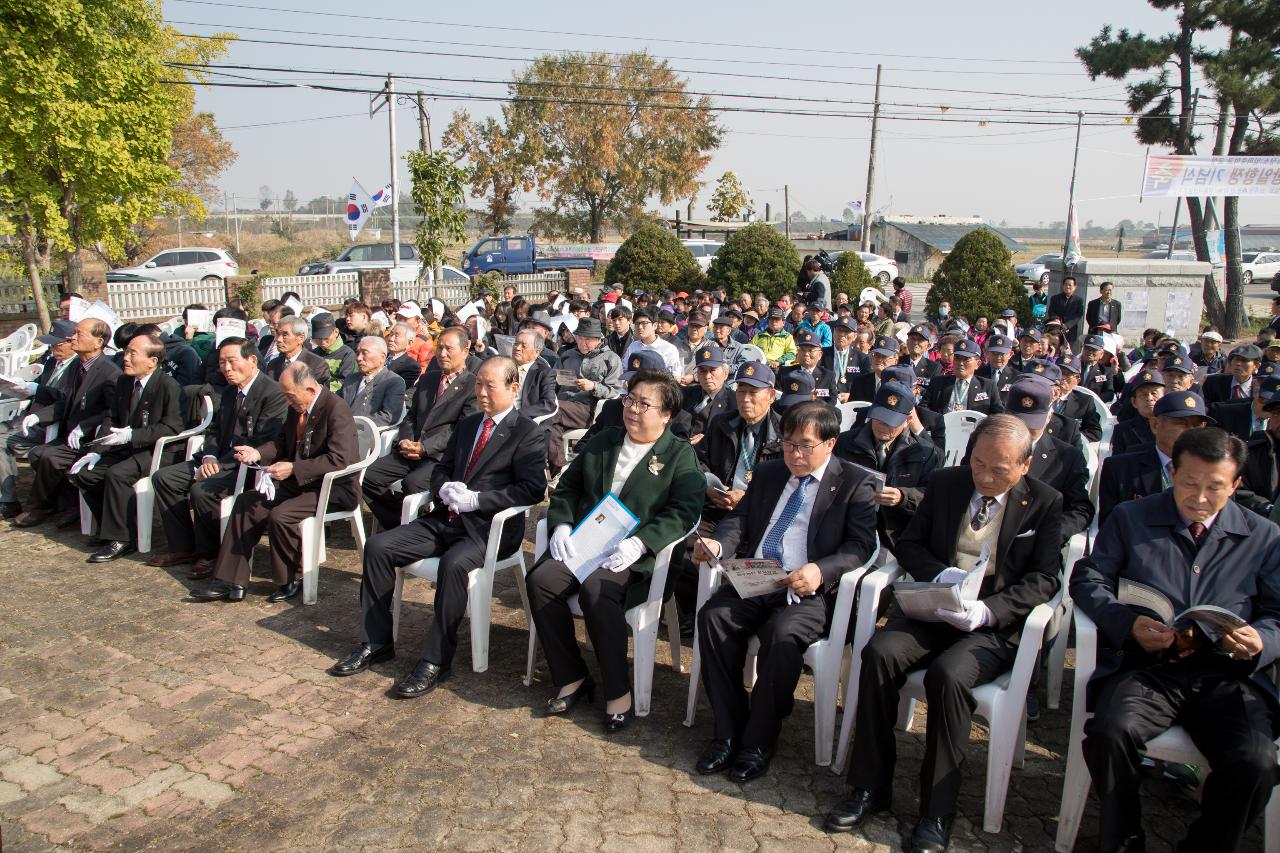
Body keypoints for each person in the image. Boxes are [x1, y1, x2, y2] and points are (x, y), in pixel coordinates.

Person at [823, 415, 1063, 852]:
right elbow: (911, 544)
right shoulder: (948, 483)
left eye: (1000, 470)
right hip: (934, 608)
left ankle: (936, 809)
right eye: (978, 464)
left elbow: (1045, 579)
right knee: (879, 653)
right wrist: (943, 576)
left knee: (949, 677)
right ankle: (869, 786)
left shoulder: (1045, 502)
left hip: (988, 626)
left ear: (1025, 465)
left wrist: (988, 611)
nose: (986, 478)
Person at [1071, 427, 1280, 853]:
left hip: (1228, 676)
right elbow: (1089, 577)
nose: (1199, 498)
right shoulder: (1132, 518)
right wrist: (1125, 623)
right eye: (1189, 483)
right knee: (1110, 733)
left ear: (1236, 484)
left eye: (1214, 488)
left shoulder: (1263, 536)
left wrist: (1261, 639)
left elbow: (1278, 612)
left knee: (1256, 762)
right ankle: (1124, 837)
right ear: (1172, 475)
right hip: (1150, 668)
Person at [328, 358, 548, 695]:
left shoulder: (527, 432)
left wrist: (478, 500)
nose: (482, 393)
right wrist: (443, 487)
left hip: (489, 529)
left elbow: (532, 489)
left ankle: (435, 660)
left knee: (454, 564)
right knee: (378, 547)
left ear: (513, 388)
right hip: (445, 518)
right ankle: (376, 641)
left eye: (491, 386)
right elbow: (442, 467)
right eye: (479, 385)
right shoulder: (469, 424)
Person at [691, 402, 878, 782]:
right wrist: (719, 545)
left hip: (807, 589)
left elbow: (860, 546)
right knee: (713, 618)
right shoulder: (770, 472)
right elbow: (738, 520)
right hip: (758, 577)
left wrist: (820, 570)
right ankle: (727, 731)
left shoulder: (856, 483)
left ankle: (758, 740)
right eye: (788, 443)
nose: (794, 453)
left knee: (781, 636)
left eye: (805, 445)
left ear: (830, 444)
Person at [526, 369, 704, 732]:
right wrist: (561, 524)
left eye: (644, 404)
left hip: (634, 555)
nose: (633, 409)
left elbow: (684, 513)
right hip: (587, 542)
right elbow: (568, 487)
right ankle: (572, 675)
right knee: (541, 579)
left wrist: (641, 543)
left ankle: (617, 690)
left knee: (598, 589)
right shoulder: (605, 440)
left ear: (667, 413)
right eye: (630, 400)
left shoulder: (678, 455)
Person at [191, 362, 359, 603]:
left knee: (281, 514)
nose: (288, 402)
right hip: (299, 483)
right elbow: (281, 442)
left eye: (290, 396)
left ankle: (291, 578)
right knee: (247, 503)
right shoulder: (296, 407)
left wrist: (293, 467)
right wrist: (257, 454)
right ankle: (230, 579)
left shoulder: (336, 408)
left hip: (332, 487)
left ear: (310, 390)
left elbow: (339, 459)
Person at [146, 338, 288, 577]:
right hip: (217, 458)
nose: (226, 368)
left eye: (232, 362)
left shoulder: (272, 393)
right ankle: (183, 547)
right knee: (164, 478)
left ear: (252, 360)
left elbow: (264, 441)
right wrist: (210, 457)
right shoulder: (231, 391)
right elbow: (213, 430)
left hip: (247, 465)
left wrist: (219, 465)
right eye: (222, 363)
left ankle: (211, 554)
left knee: (202, 491)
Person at [67, 331, 185, 562]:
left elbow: (172, 428)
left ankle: (122, 538)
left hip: (155, 450)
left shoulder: (168, 386)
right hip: (125, 446)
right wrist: (96, 450)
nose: (126, 358)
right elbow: (110, 418)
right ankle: (109, 526)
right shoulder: (123, 381)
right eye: (125, 352)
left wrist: (133, 435)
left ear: (152, 361)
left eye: (133, 353)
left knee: (117, 474)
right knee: (83, 473)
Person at [362, 327, 478, 531]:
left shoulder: (472, 386)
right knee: (368, 475)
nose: (442, 354)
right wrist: (405, 440)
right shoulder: (428, 379)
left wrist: (425, 447)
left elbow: (462, 429)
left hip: (440, 456)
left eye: (449, 349)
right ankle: (401, 522)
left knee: (412, 484)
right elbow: (411, 416)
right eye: (439, 347)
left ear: (465, 351)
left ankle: (415, 525)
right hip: (410, 449)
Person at [14, 319, 121, 529]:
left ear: (98, 342)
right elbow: (67, 401)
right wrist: (39, 416)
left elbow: (113, 412)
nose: (72, 337)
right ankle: (67, 503)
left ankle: (40, 507)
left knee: (47, 456)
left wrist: (87, 426)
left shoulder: (109, 373)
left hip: (94, 440)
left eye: (79, 334)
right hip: (72, 436)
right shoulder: (77, 367)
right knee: (38, 453)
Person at [834, 380, 941, 552]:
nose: (883, 426)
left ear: (907, 420)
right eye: (879, 418)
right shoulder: (846, 443)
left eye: (891, 422)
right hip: (846, 524)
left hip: (894, 534)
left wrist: (902, 497)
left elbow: (932, 497)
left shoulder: (924, 452)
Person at [1001, 376, 1094, 547]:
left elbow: (1080, 509)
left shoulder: (1067, 458)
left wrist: (1051, 534)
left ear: (1049, 417)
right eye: (1015, 422)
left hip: (1034, 545)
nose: (1023, 430)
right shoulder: (986, 444)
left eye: (1031, 424)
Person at [0, 319, 79, 519]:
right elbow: (37, 387)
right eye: (51, 344)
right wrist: (21, 386)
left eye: (57, 344)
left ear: (72, 342)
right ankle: (7, 499)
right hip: (30, 418)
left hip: (53, 424)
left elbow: (67, 399)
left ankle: (10, 501)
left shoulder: (79, 366)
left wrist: (38, 390)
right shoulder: (52, 361)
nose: (53, 349)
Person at [1098, 391, 1212, 524]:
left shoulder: (1215, 472)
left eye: (1197, 425)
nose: (1191, 432)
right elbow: (1110, 526)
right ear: (1155, 425)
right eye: (1182, 423)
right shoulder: (1120, 469)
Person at [545, 318, 622, 473]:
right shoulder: (568, 355)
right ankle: (558, 471)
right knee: (549, 424)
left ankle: (557, 469)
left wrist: (593, 386)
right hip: (563, 406)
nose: (582, 343)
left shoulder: (611, 359)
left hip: (589, 409)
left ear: (599, 339)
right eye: (580, 338)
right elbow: (550, 379)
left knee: (551, 411)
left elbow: (614, 391)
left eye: (587, 339)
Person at [921, 338, 1001, 417]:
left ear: (978, 364)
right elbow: (924, 408)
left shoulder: (987, 386)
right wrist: (938, 423)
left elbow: (998, 415)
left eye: (966, 359)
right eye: (957, 358)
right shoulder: (938, 383)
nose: (960, 363)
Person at [340, 335, 406, 426]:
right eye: (358, 353)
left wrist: (352, 423)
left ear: (382, 357)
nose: (359, 358)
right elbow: (336, 404)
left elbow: (388, 416)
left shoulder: (393, 382)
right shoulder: (351, 378)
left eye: (364, 353)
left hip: (364, 433)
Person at [681, 343, 736, 439]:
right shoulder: (685, 393)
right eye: (702, 371)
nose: (707, 376)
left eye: (712, 370)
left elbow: (733, 435)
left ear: (725, 374)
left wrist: (709, 438)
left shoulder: (734, 402)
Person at [1109, 369, 1164, 455]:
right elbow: (1118, 464)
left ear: (1165, 397)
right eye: (1143, 395)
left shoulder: (1175, 425)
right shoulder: (1122, 431)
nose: (1149, 398)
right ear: (1134, 402)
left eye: (1154, 393)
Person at [1052, 352, 1103, 443]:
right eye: (1059, 373)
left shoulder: (1084, 402)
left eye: (1067, 374)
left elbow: (1094, 432)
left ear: (1077, 380)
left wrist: (1072, 438)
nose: (1062, 378)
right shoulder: (1042, 395)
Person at [265, 316, 331, 388]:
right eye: (277, 334)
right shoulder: (272, 365)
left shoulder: (317, 364)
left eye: (285, 335)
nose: (278, 339)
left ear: (300, 338)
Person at [776, 329, 838, 404]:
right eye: (802, 349)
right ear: (797, 352)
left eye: (810, 350)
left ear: (820, 355)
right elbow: (778, 399)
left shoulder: (828, 376)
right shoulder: (784, 373)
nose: (806, 353)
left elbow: (832, 402)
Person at [621, 307, 682, 376]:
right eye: (637, 323)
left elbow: (675, 376)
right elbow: (625, 369)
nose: (640, 327)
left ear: (655, 325)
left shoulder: (669, 349)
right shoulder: (633, 346)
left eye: (644, 323)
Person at [510, 330, 556, 418]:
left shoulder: (544, 373)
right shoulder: (504, 366)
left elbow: (548, 404)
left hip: (522, 420)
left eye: (524, 345)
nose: (517, 348)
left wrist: (517, 414)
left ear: (537, 352)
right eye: (516, 343)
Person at [308, 312, 358, 394]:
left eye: (326, 337)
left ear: (336, 332)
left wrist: (320, 389)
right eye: (319, 338)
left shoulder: (348, 355)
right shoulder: (313, 354)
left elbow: (346, 382)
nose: (323, 342)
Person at [848, 335, 901, 404]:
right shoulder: (859, 382)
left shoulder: (900, 385)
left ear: (895, 361)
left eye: (884, 356)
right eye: (877, 355)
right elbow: (851, 408)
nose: (879, 359)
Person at [1079, 334, 1122, 404]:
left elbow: (1109, 393)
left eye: (1094, 350)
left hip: (1093, 407)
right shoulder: (1075, 365)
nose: (1090, 352)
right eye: (1087, 348)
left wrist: (1093, 400)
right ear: (1082, 349)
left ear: (1101, 354)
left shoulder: (1106, 371)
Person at [383, 322, 422, 391]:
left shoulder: (411, 366)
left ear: (409, 343)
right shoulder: (379, 356)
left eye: (396, 336)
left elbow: (395, 390)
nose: (391, 339)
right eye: (391, 334)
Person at [1048, 277, 1085, 350]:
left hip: (1070, 331)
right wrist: (1060, 324)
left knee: (1067, 352)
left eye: (1070, 285)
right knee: (1055, 350)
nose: (1067, 287)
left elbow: (1078, 315)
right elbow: (1051, 312)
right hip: (1056, 329)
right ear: (1063, 286)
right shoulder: (1055, 298)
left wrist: (1068, 325)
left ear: (1074, 287)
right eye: (1065, 285)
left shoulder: (1078, 300)